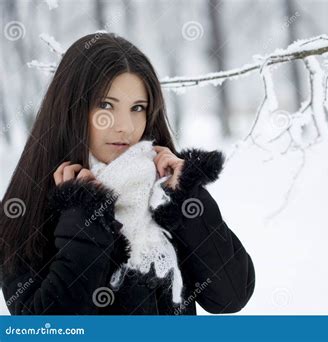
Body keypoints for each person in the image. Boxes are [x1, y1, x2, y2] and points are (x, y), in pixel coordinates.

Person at [0, 33, 255, 315]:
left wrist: (186, 197)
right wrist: (82, 217)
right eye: (106, 106)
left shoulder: (163, 191)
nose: (124, 126)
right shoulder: (27, 209)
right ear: (71, 109)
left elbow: (231, 296)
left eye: (137, 108)